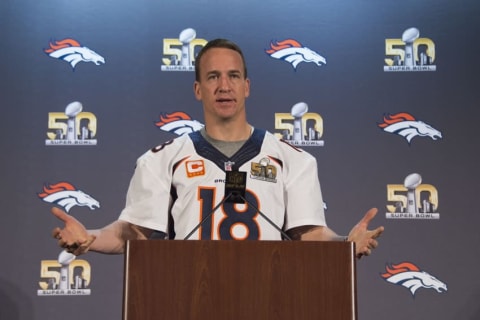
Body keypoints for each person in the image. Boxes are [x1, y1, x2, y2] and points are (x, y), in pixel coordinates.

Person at [51, 38, 384, 259]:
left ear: (247, 86)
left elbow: (309, 236)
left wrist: (344, 244)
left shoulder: (293, 159)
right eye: (213, 77)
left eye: (233, 76)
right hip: (188, 295)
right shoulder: (162, 159)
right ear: (198, 89)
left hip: (269, 295)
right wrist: (91, 236)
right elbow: (132, 234)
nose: (224, 86)